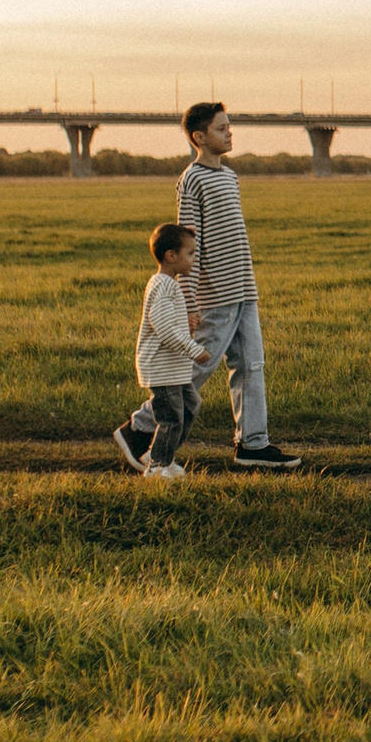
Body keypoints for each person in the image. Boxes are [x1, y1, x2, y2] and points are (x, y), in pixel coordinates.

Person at [113, 103, 302, 472]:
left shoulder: (229, 177)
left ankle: (253, 444)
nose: (230, 133)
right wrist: (188, 302)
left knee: (251, 366)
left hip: (244, 289)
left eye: (229, 126)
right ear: (200, 137)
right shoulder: (193, 179)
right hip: (214, 294)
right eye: (221, 128)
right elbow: (187, 245)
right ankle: (139, 428)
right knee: (192, 371)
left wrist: (247, 284)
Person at [129, 221, 209, 478]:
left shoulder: (168, 285)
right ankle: (157, 467)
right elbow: (162, 325)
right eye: (190, 254)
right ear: (171, 256)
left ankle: (161, 456)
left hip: (173, 368)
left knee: (190, 404)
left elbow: (168, 322)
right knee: (171, 418)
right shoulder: (163, 285)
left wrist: (187, 323)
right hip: (162, 368)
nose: (193, 260)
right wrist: (192, 348)